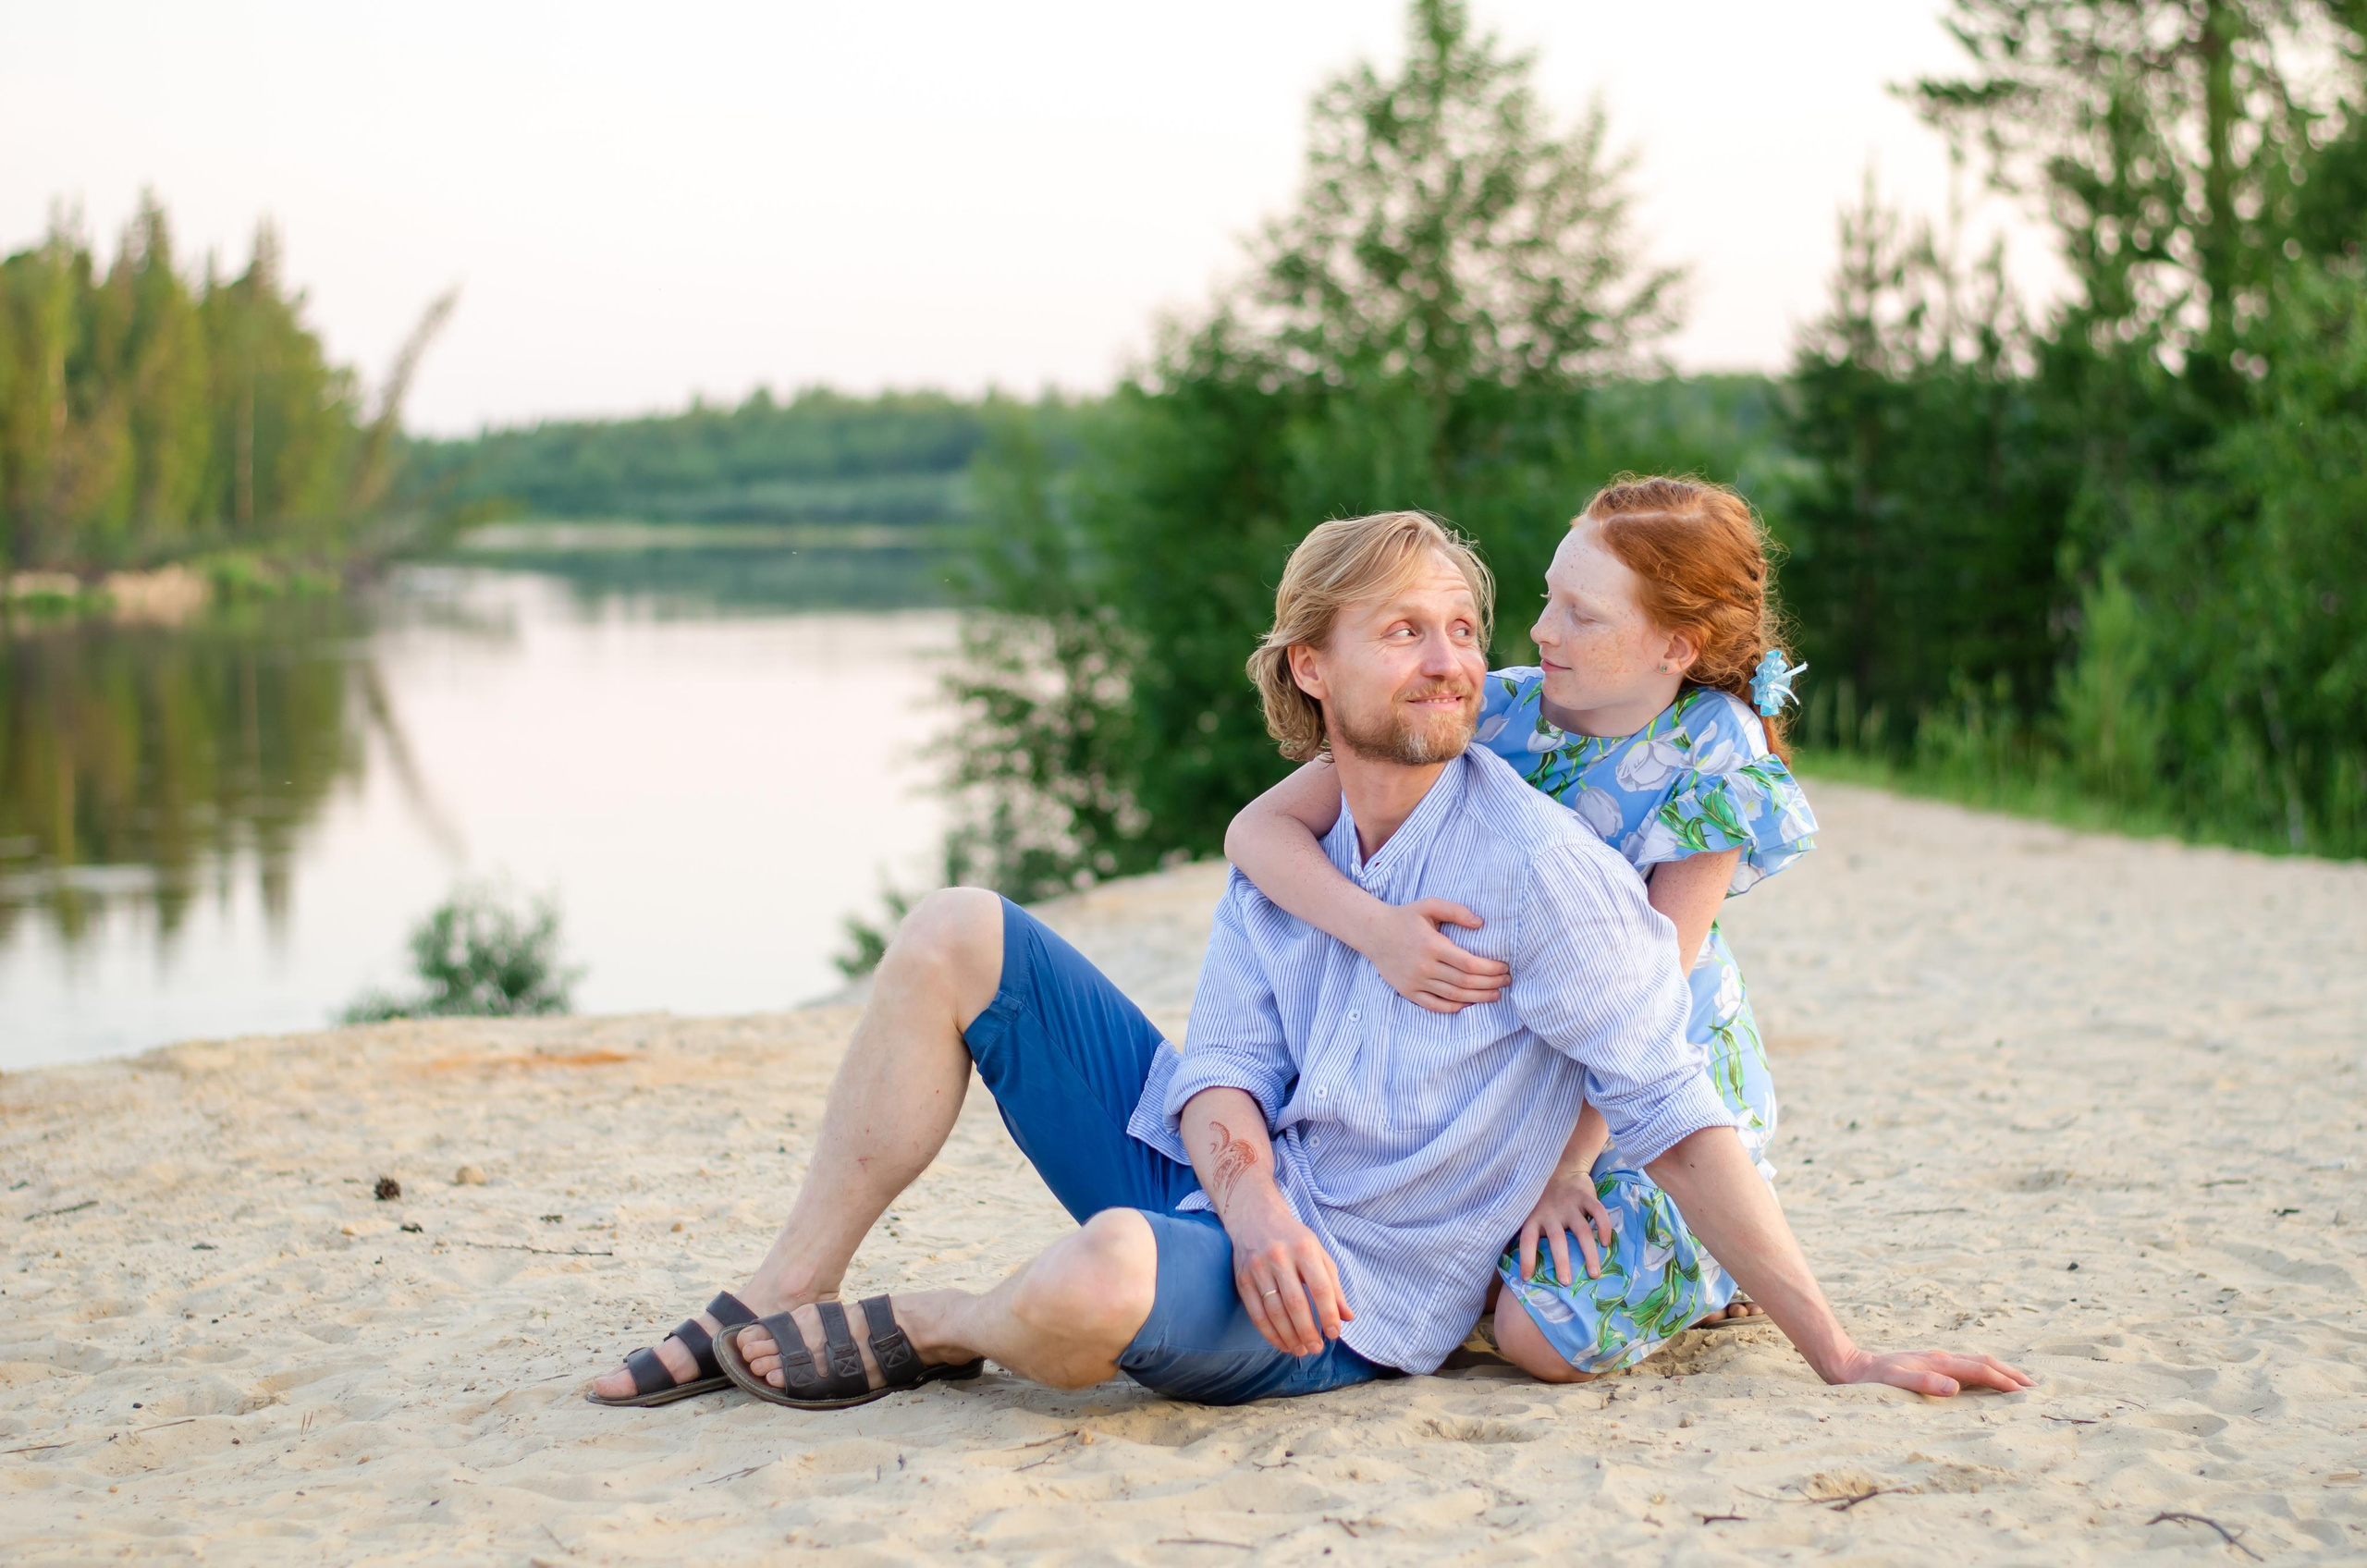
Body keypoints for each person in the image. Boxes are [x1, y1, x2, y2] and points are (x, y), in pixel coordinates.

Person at [588, 509, 2028, 1411]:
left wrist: (1839, 1348)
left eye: (1466, 633)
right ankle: (788, 1282)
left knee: (1099, 1279)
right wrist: (1253, 1194)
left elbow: (1677, 1110)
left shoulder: (1550, 877)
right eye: (1407, 632)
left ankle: (941, 1326)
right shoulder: (1300, 845)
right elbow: (1219, 1070)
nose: (1459, 659)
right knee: (961, 926)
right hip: (1239, 1205)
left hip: (1336, 1293)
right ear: (1311, 670)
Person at [1224, 476, 1812, 1381]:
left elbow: (1648, 999)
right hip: (1520, 1075)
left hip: (1651, 1086)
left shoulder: (1713, 752)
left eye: (1580, 613)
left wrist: (1568, 1168)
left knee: (1540, 1337)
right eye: (1547, 596)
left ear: (1674, 645)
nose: (1540, 629)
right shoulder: (1495, 709)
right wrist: (1378, 929)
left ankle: (1714, 1257)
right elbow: (1256, 832)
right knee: (1472, 1286)